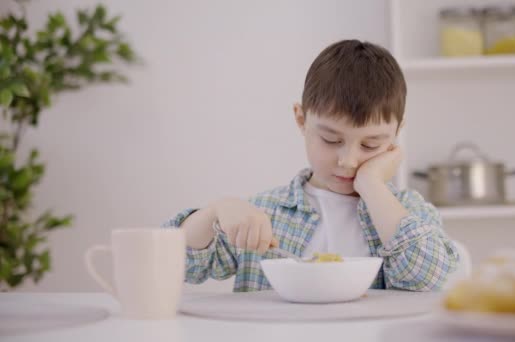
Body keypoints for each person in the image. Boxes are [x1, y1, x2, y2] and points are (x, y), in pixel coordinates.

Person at [164, 39, 459, 292]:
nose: (349, 161)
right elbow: (174, 261)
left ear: (395, 135)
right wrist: (215, 210)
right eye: (331, 139)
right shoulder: (266, 213)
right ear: (301, 120)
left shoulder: (408, 214)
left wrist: (372, 184)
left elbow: (427, 279)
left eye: (370, 145)